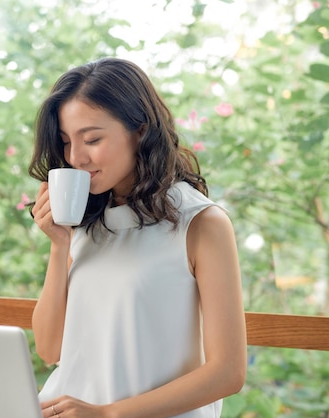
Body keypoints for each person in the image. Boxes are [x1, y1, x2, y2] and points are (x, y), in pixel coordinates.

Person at [28, 57, 247, 418]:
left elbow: (228, 373)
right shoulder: (88, 220)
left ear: (140, 130)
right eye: (67, 142)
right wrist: (59, 244)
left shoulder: (202, 223)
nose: (76, 157)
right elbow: (50, 349)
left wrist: (107, 414)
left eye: (92, 139)